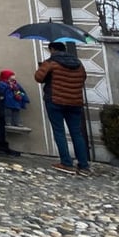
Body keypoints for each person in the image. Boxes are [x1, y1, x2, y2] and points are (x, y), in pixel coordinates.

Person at [34, 42, 90, 175]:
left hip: (55, 100)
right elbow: (83, 78)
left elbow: (38, 78)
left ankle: (66, 163)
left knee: (59, 131)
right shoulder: (78, 64)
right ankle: (84, 166)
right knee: (77, 133)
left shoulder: (51, 62)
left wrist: (42, 67)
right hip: (75, 102)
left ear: (52, 49)